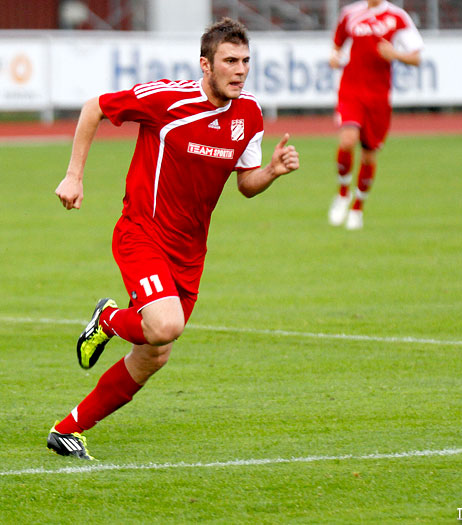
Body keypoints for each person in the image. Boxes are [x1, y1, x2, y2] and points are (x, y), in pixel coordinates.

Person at [49, 18, 299, 460]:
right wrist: (74, 176)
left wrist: (271, 173)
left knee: (154, 354)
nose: (240, 70)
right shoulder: (168, 100)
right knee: (165, 326)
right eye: (229, 61)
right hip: (141, 233)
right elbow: (94, 109)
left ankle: (68, 430)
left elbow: (245, 184)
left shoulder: (250, 114)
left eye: (245, 61)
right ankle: (108, 318)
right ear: (205, 65)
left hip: (189, 251)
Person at [327, 0, 423, 230]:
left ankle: (358, 207)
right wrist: (334, 56)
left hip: (378, 96)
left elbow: (417, 58)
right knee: (347, 140)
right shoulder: (350, 13)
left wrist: (395, 54)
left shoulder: (397, 17)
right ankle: (342, 193)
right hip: (351, 89)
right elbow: (337, 44)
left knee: (369, 156)